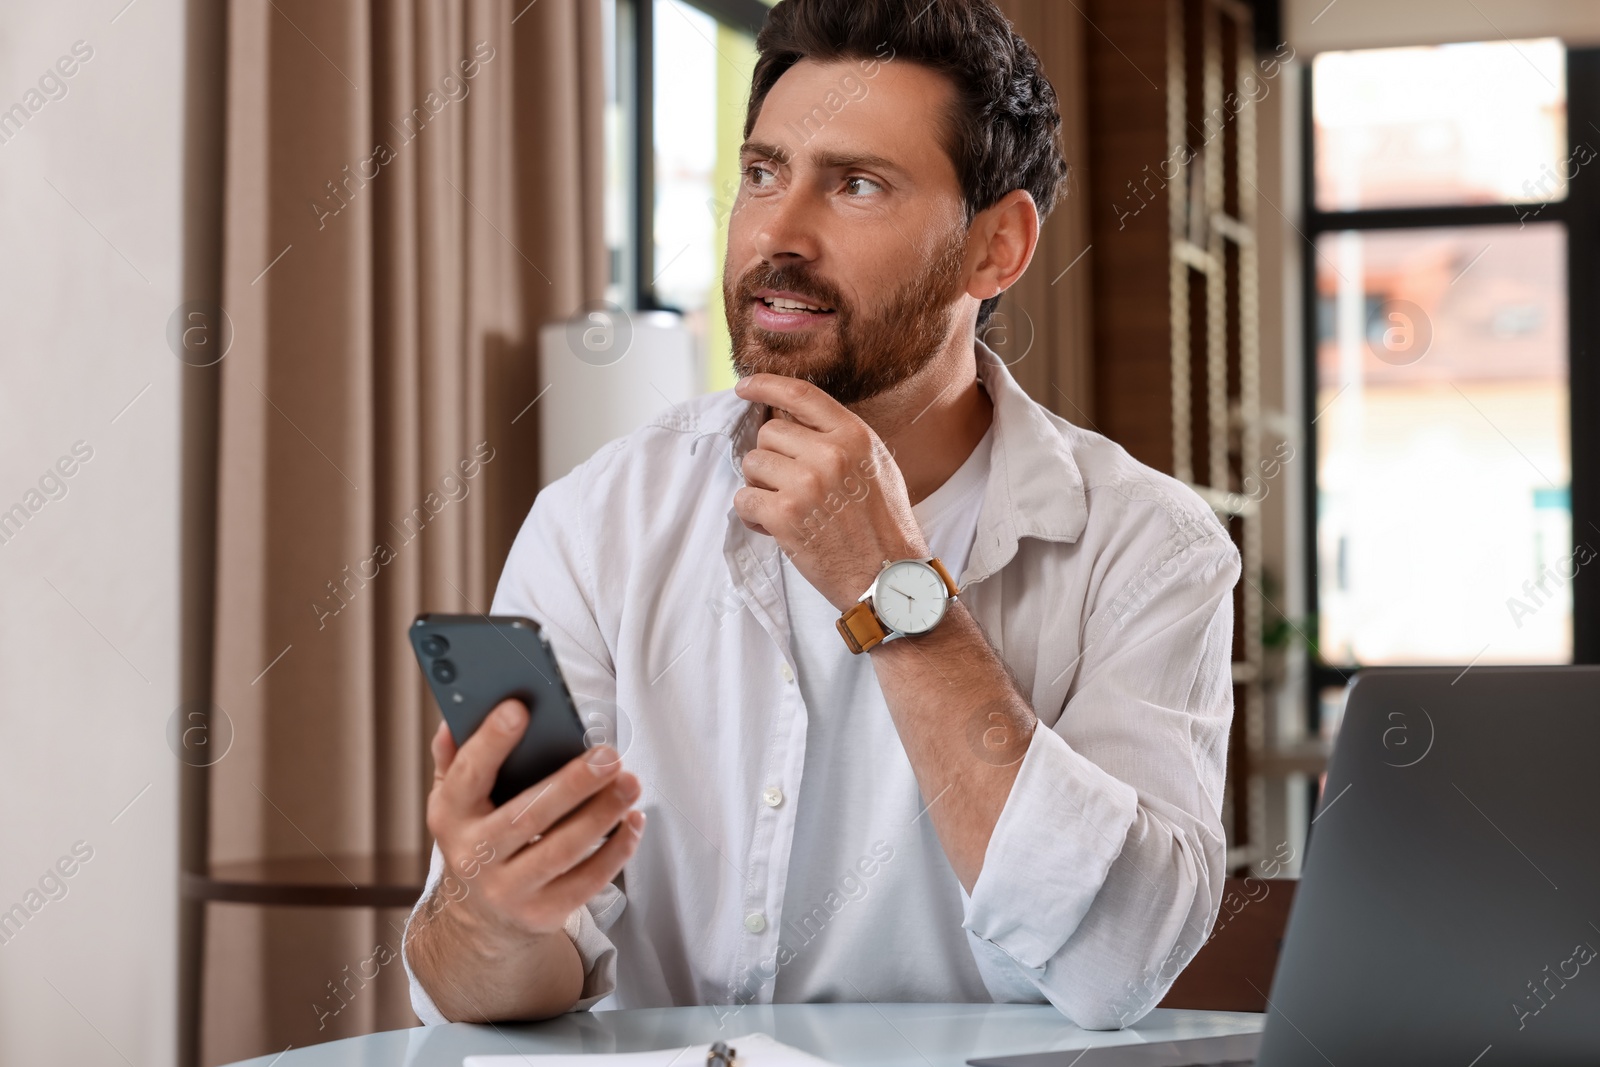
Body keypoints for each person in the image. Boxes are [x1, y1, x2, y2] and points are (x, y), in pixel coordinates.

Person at [402, 0, 1240, 1030]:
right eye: (762, 174)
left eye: (855, 184)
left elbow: (1122, 957)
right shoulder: (595, 520)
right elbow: (492, 987)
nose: (777, 235)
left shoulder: (1150, 547)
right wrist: (488, 912)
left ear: (996, 247)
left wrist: (890, 586)